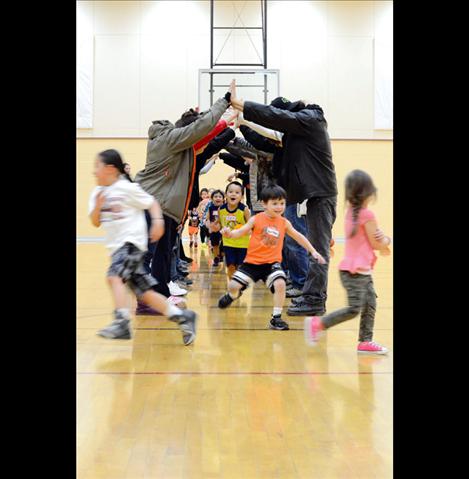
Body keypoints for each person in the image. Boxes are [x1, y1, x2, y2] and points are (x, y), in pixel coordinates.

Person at [230, 88, 338, 317]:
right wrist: (242, 121)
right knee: (311, 247)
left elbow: (277, 117)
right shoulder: (296, 133)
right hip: (311, 195)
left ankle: (314, 299)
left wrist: (243, 105)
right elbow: (266, 138)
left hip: (319, 195)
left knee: (316, 249)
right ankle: (311, 295)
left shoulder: (312, 119)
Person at [134, 83, 234, 300]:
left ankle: (159, 294)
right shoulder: (170, 139)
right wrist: (225, 101)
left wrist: (226, 119)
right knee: (149, 254)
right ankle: (144, 298)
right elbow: (201, 130)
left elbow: (205, 135)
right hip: (155, 204)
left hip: (166, 207)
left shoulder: (176, 144)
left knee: (162, 253)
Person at [88, 149, 197, 344]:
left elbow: (152, 202)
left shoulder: (126, 188)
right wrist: (98, 206)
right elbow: (95, 221)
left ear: (111, 169)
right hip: (117, 250)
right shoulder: (98, 193)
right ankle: (183, 317)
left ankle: (121, 322)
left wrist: (157, 221)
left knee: (114, 277)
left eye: (97, 166)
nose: (94, 171)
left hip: (131, 244)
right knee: (145, 294)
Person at [304, 170, 390, 354]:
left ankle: (365, 342)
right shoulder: (367, 215)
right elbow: (377, 243)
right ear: (368, 192)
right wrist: (387, 240)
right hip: (357, 272)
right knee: (354, 309)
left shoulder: (351, 212)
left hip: (357, 271)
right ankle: (318, 324)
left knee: (370, 303)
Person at [217, 185, 325, 331]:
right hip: (252, 263)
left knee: (280, 284)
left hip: (271, 264)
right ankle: (232, 295)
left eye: (282, 203)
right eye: (275, 203)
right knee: (233, 286)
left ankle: (276, 318)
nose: (279, 207)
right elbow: (241, 232)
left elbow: (299, 236)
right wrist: (229, 234)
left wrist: (313, 251)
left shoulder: (284, 222)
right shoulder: (256, 219)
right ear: (264, 204)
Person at [218, 182, 251, 278]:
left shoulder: (244, 210)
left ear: (242, 196)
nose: (233, 194)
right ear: (225, 194)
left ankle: (239, 284)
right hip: (228, 243)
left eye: (237, 192)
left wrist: (240, 231)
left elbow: (251, 227)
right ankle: (233, 289)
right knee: (230, 266)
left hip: (242, 244)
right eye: (230, 192)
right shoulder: (221, 209)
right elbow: (221, 225)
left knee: (240, 267)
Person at [205, 189, 225, 266]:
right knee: (215, 245)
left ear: (223, 199)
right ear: (212, 198)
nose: (218, 198)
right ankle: (216, 258)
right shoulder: (211, 208)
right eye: (215, 196)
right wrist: (209, 227)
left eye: (220, 197)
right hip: (214, 229)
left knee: (224, 244)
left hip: (223, 229)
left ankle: (222, 255)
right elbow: (207, 218)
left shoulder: (225, 208)